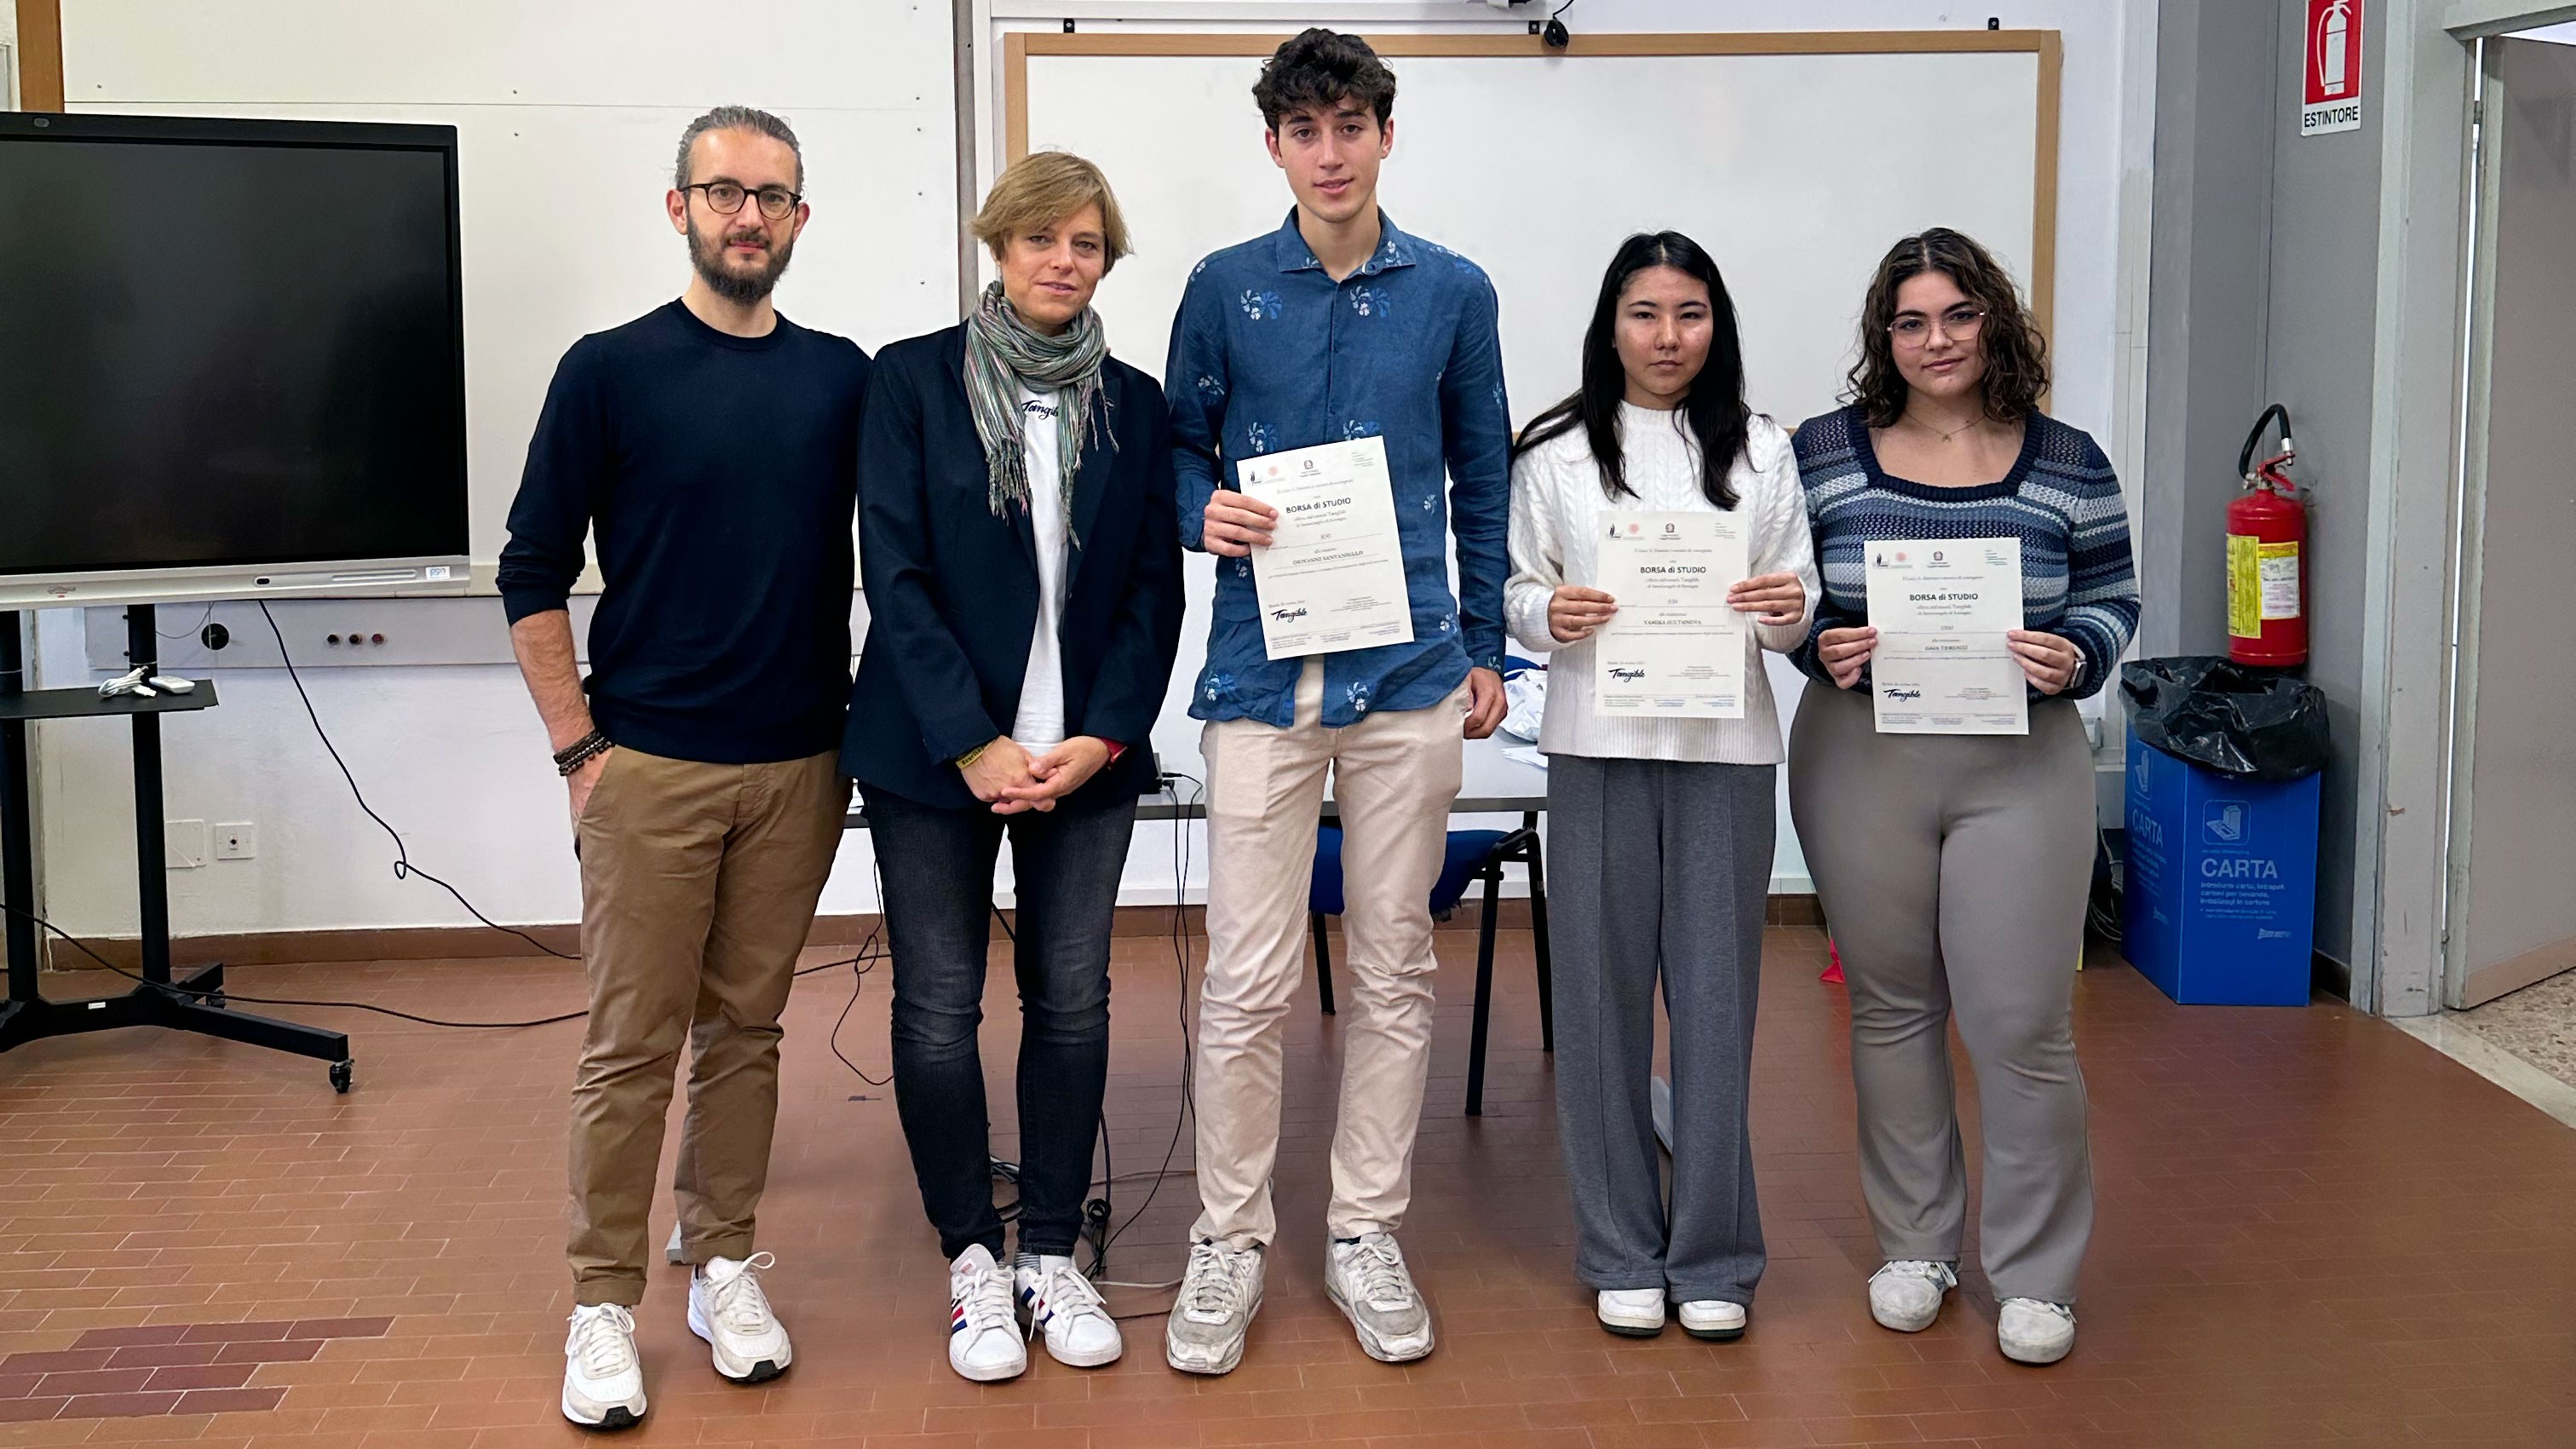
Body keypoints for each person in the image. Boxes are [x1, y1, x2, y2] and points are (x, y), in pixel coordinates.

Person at [497, 106, 869, 1430]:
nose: (747, 216)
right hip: (646, 765)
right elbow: (530, 571)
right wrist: (578, 750)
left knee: (749, 1034)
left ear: (800, 221)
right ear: (679, 209)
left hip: (798, 766)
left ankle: (720, 1263)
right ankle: (603, 1300)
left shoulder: (843, 377)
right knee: (631, 1044)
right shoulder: (607, 371)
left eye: (771, 196)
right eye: (723, 193)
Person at [1160, 27, 1510, 1376]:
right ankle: (1230, 1238)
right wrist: (1210, 510)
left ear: (1383, 132)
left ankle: (1366, 1227)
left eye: (1350, 124)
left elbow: (1480, 473)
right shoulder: (1224, 286)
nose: (1329, 151)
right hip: (1261, 679)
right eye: (1304, 130)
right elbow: (1181, 445)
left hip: (1413, 678)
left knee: (1396, 966)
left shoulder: (1455, 292)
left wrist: (1486, 642)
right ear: (1275, 148)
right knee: (1246, 980)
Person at [844, 150, 1184, 1384]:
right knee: (939, 1006)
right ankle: (970, 1258)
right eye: (1043, 237)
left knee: (1074, 998)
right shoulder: (910, 382)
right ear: (999, 246)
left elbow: (1155, 587)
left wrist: (1099, 736)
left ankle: (1050, 1248)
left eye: (1087, 243)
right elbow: (898, 572)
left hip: (1082, 751)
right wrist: (974, 741)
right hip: (937, 752)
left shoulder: (1136, 405)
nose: (1063, 259)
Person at [1785, 227, 2138, 1367]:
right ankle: (1915, 1244)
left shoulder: (2070, 458)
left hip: (2021, 762)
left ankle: (2036, 1273)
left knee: (2023, 1024)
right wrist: (1821, 643)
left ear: (1995, 319)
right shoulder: (1823, 451)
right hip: (1861, 755)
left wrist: (2074, 654)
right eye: (1910, 321)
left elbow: (2113, 594)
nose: (1936, 340)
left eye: (1957, 314)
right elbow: (1787, 592)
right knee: (1890, 1007)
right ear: (1884, 338)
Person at [1504, 233, 1816, 1343]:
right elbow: (1514, 588)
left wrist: (1783, 611)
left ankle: (1717, 1253)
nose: (1668, 336)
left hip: (1726, 750)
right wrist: (1551, 616)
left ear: (1715, 324)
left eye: (1689, 313)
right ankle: (1620, 1248)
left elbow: (1797, 608)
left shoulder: (1766, 450)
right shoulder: (1551, 450)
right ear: (1612, 323)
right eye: (1645, 313)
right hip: (1598, 743)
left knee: (1717, 1005)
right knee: (1597, 1003)